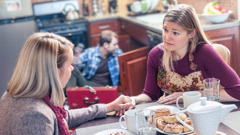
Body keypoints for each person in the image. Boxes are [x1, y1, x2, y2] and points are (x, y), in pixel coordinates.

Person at [0, 32, 133, 135]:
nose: (72, 69)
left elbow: (64, 118)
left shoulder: (11, 94)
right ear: (56, 71)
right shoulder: (36, 115)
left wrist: (108, 107)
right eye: (69, 64)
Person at [127, 4, 240, 107]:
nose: (167, 37)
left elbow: (237, 91)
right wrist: (133, 99)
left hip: (203, 113)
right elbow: (150, 94)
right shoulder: (156, 54)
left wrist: (187, 96)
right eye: (165, 30)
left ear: (191, 33)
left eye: (175, 33)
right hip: (170, 117)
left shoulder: (204, 53)